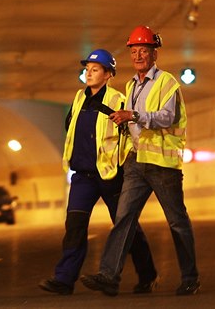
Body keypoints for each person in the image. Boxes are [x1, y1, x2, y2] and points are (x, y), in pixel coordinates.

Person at [80, 26, 199, 296]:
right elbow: (134, 121)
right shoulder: (131, 84)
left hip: (163, 165)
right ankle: (109, 276)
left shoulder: (167, 82)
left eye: (143, 50)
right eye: (134, 51)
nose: (138, 55)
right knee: (124, 218)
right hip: (136, 161)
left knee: (177, 221)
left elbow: (167, 117)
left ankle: (190, 277)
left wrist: (133, 115)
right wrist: (123, 122)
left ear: (154, 54)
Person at [38, 49, 157, 295]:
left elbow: (129, 136)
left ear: (108, 74)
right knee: (75, 226)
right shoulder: (78, 98)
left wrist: (125, 168)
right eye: (87, 69)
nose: (88, 73)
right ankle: (64, 279)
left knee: (126, 227)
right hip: (82, 176)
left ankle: (147, 275)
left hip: (110, 174)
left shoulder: (118, 99)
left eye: (94, 69)